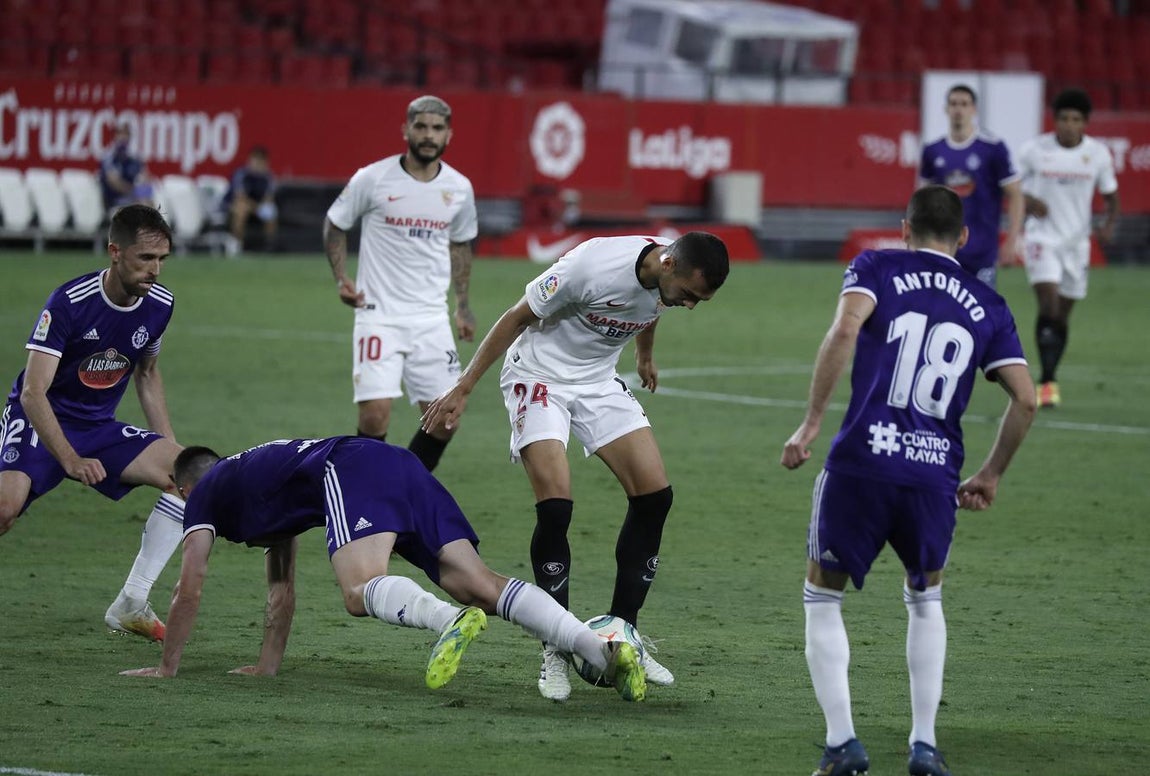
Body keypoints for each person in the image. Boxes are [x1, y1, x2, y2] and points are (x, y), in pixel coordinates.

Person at [780, 186, 1036, 776]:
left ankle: (843, 744)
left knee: (823, 595)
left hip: (862, 463)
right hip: (933, 475)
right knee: (925, 598)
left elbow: (845, 332)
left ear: (904, 229)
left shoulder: (877, 267)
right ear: (963, 238)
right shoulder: (988, 304)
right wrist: (991, 474)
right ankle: (924, 745)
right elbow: (1026, 399)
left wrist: (812, 421)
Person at [421, 231, 730, 701]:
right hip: (538, 377)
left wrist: (644, 355)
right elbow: (515, 316)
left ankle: (624, 633)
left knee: (655, 497)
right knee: (556, 507)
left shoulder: (670, 272)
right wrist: (462, 387)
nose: (689, 305)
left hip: (597, 381)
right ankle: (555, 645)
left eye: (698, 300)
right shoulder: (590, 267)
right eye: (688, 294)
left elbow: (653, 307)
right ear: (668, 264)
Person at [120, 437, 648, 703]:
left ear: (183, 487)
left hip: (352, 468)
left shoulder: (204, 493)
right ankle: (601, 651)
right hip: (398, 463)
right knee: (478, 584)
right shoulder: (258, 484)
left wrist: (167, 668)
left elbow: (189, 586)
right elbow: (281, 588)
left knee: (358, 590)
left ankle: (447, 621)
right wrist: (266, 667)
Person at [0, 204, 187, 642]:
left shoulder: (160, 304)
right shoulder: (69, 302)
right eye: (145, 258)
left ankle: (131, 603)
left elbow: (147, 373)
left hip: (96, 426)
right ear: (115, 252)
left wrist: (171, 447)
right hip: (39, 418)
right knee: (4, 509)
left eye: (162, 259)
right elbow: (33, 392)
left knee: (188, 476)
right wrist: (70, 459)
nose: (155, 270)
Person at [322, 95, 478, 473]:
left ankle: (401, 484)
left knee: (446, 419)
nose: (428, 135)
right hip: (378, 314)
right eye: (421, 126)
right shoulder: (373, 178)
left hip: (430, 317)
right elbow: (336, 223)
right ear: (406, 129)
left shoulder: (459, 188)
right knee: (375, 415)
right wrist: (342, 278)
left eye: (437, 128)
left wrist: (462, 305)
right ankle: (365, 491)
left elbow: (460, 245)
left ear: (449, 135)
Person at [1016, 88, 1119, 409]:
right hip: (1042, 239)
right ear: (1055, 120)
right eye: (1063, 118)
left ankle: (1050, 375)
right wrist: (1028, 200)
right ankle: (1047, 383)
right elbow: (1011, 186)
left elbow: (1111, 196)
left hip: (1076, 244)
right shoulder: (1034, 150)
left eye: (1076, 119)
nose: (1069, 125)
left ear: (1085, 123)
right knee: (1048, 306)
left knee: (1061, 316)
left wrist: (1108, 224)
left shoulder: (1098, 154)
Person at [918, 84, 1025, 289]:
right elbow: (922, 200)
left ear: (973, 109)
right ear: (946, 109)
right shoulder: (933, 151)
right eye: (953, 104)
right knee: (941, 307)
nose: (958, 109)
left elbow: (1015, 195)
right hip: (942, 249)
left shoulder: (992, 148)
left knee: (980, 308)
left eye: (964, 104)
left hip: (982, 251)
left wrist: (1012, 239)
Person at [222, 145, 278, 256]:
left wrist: (261, 208)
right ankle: (237, 244)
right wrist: (257, 208)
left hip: (256, 207)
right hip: (233, 205)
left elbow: (269, 198)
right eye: (255, 159)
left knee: (271, 211)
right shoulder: (241, 174)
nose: (257, 163)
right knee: (241, 209)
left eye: (261, 160)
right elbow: (240, 197)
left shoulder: (267, 176)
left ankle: (269, 245)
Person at [98, 123, 154, 212]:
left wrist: (144, 189)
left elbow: (146, 178)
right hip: (114, 201)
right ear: (115, 136)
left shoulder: (134, 159)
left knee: (149, 203)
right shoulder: (109, 158)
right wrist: (135, 192)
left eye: (126, 134)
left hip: (133, 199)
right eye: (120, 134)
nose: (123, 137)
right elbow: (114, 182)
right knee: (140, 205)